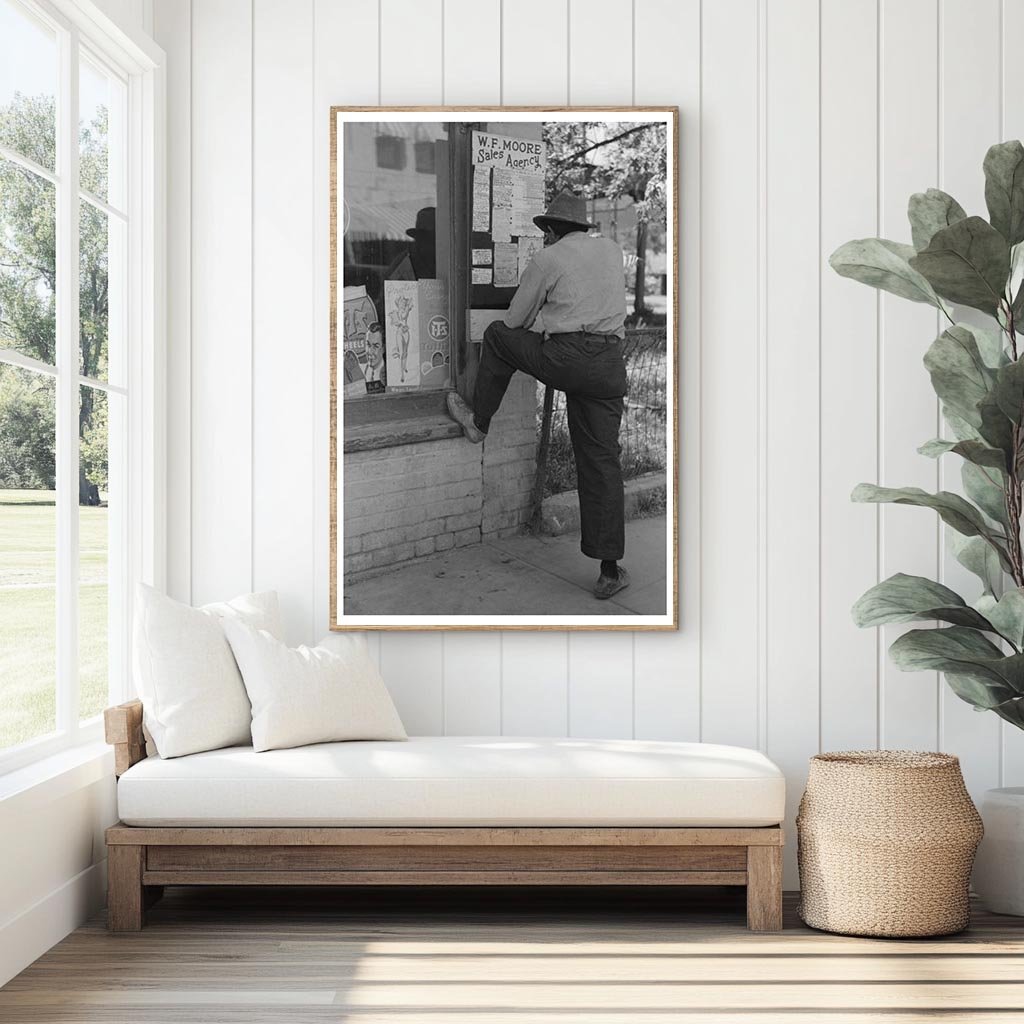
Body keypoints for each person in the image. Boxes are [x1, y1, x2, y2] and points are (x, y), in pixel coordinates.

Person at [446, 191, 630, 600]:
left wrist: (542, 316)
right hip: (609, 364)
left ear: (550, 230)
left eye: (546, 231)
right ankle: (609, 570)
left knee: (497, 337)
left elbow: (514, 319)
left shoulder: (548, 260)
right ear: (582, 227)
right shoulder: (613, 251)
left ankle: (479, 423)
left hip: (568, 359)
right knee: (602, 461)